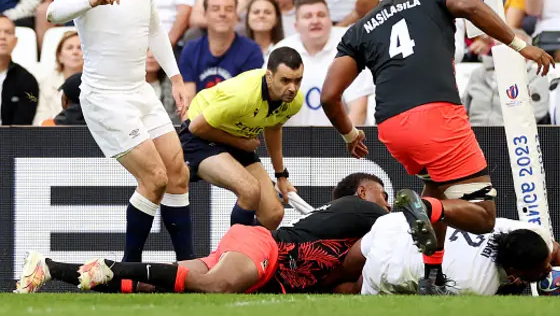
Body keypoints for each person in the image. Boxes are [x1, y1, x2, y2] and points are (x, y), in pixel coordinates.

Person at [320, 0, 555, 295]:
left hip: (391, 127)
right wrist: (520, 45)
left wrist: (349, 133)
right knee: (482, 214)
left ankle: (432, 276)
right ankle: (423, 206)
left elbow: (329, 95)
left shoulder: (361, 27)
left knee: (440, 193)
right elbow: (471, 7)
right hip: (437, 116)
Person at [44, 0, 194, 264]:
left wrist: (174, 78)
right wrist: (91, 1)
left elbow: (154, 30)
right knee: (154, 179)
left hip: (140, 92)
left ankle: (187, 267)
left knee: (177, 173)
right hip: (105, 97)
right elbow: (52, 13)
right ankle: (130, 270)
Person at [15, 172, 392, 295]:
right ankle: (113, 265)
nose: (386, 203)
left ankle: (48, 268)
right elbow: (404, 222)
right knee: (215, 288)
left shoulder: (354, 237)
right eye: (383, 194)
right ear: (362, 193)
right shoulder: (367, 210)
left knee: (155, 286)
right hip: (263, 247)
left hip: (259, 265)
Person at [180, 47, 302, 230]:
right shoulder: (243, 95)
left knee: (273, 214)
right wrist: (241, 143)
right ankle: (234, 256)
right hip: (200, 137)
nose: (292, 88)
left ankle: (250, 255)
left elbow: (273, 128)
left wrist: (281, 176)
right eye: (285, 80)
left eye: (297, 80)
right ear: (269, 77)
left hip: (237, 136)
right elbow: (196, 127)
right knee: (249, 190)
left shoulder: (293, 101)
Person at [357, 213, 560, 296]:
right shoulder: (478, 285)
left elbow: (555, 250)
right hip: (390, 264)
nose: (550, 268)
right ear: (514, 271)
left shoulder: (528, 234)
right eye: (543, 268)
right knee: (346, 291)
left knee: (339, 270)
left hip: (396, 223)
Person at [33, 31, 83, 125]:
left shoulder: (98, 84)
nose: (75, 52)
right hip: (52, 135)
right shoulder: (45, 84)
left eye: (80, 48)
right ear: (60, 56)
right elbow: (39, 123)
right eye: (69, 48)